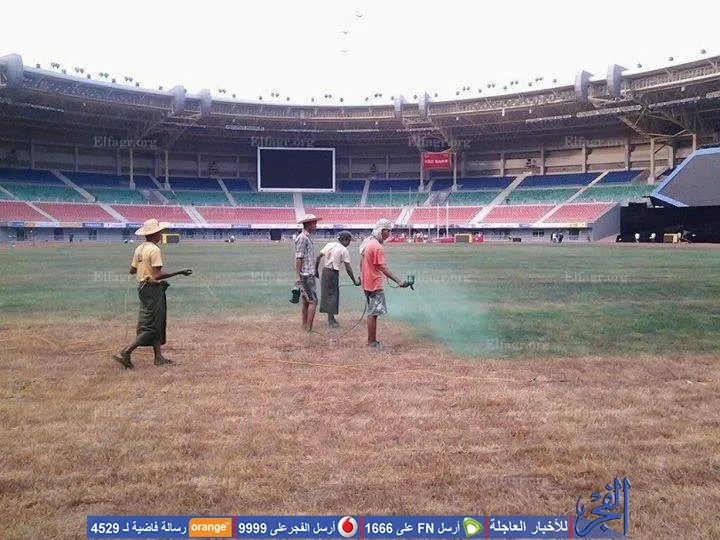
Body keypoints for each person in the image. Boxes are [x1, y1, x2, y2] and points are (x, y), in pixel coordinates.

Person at [113, 219, 192, 369]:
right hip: (152, 290)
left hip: (143, 289)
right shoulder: (154, 250)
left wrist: (144, 269)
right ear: (154, 234)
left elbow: (132, 270)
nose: (161, 235)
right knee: (152, 326)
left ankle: (158, 357)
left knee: (156, 322)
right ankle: (126, 351)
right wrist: (179, 272)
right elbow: (157, 275)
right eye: (159, 232)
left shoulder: (139, 249)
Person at [359, 219, 410, 349]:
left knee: (372, 312)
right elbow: (382, 267)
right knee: (373, 313)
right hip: (374, 283)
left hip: (367, 281)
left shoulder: (368, 242)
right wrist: (399, 281)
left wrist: (362, 276)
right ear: (382, 230)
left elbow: (361, 262)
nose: (389, 234)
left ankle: (371, 340)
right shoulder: (377, 246)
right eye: (388, 230)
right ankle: (372, 342)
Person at [315, 230, 360, 328]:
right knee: (333, 295)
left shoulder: (329, 244)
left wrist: (316, 270)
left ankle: (331, 318)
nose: (349, 243)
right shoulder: (343, 250)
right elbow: (348, 268)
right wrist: (354, 281)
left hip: (325, 271)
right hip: (333, 273)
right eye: (349, 240)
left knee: (327, 295)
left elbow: (318, 256)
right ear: (345, 239)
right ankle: (331, 321)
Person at [295, 214, 321, 332]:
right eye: (314, 223)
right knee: (313, 301)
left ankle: (305, 326)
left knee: (306, 301)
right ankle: (308, 328)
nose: (316, 225)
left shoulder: (307, 237)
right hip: (306, 274)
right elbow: (299, 257)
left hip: (308, 273)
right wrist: (298, 275)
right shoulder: (303, 238)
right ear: (309, 224)